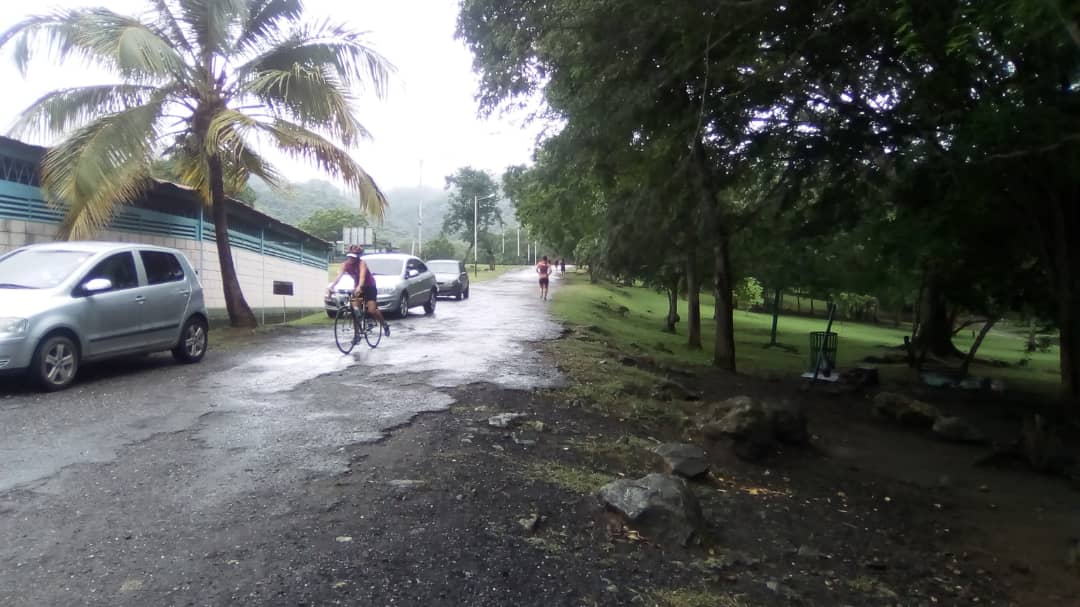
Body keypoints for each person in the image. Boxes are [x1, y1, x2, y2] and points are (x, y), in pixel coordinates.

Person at [329, 246, 390, 337]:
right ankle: (357, 335)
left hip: (369, 286)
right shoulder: (345, 265)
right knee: (355, 310)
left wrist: (359, 287)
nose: (351, 259)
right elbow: (339, 276)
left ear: (357, 257)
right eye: (349, 257)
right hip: (357, 286)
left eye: (353, 257)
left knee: (372, 310)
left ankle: (384, 324)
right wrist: (332, 286)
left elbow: (362, 277)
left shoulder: (362, 263)